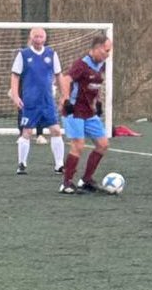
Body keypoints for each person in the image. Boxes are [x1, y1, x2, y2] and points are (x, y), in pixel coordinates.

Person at [9, 27, 67, 175]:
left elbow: (59, 75)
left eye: (41, 37)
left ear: (45, 38)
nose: (39, 39)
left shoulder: (52, 54)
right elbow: (15, 76)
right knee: (27, 132)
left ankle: (59, 165)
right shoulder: (23, 55)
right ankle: (22, 164)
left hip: (47, 101)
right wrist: (15, 96)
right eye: (36, 37)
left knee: (56, 130)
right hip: (30, 101)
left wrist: (64, 95)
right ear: (31, 37)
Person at [59, 34, 112, 194]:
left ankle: (86, 180)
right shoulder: (81, 64)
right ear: (96, 49)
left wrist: (99, 101)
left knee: (103, 145)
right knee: (78, 145)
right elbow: (66, 79)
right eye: (106, 50)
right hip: (74, 111)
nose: (108, 54)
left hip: (89, 112)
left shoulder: (100, 65)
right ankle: (66, 183)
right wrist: (66, 100)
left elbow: (94, 86)